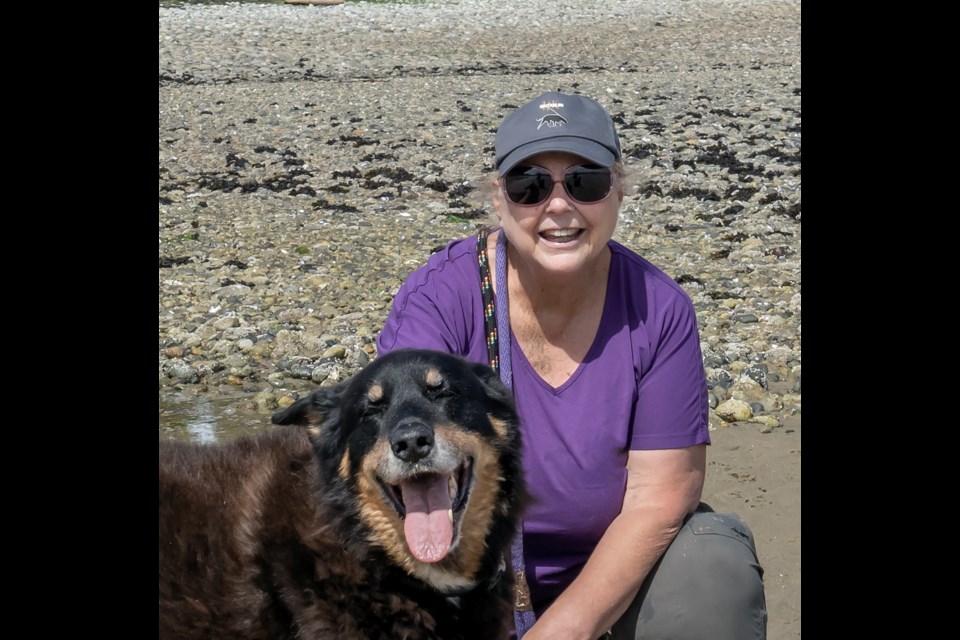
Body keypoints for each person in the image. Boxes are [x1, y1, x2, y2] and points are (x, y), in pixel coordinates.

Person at [376, 91, 766, 640]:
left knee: (710, 568)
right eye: (529, 186)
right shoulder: (439, 301)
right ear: (498, 198)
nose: (558, 206)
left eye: (585, 182)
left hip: (609, 581)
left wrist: (565, 630)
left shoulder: (660, 309)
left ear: (618, 191)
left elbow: (660, 497)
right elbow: (398, 467)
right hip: (462, 584)